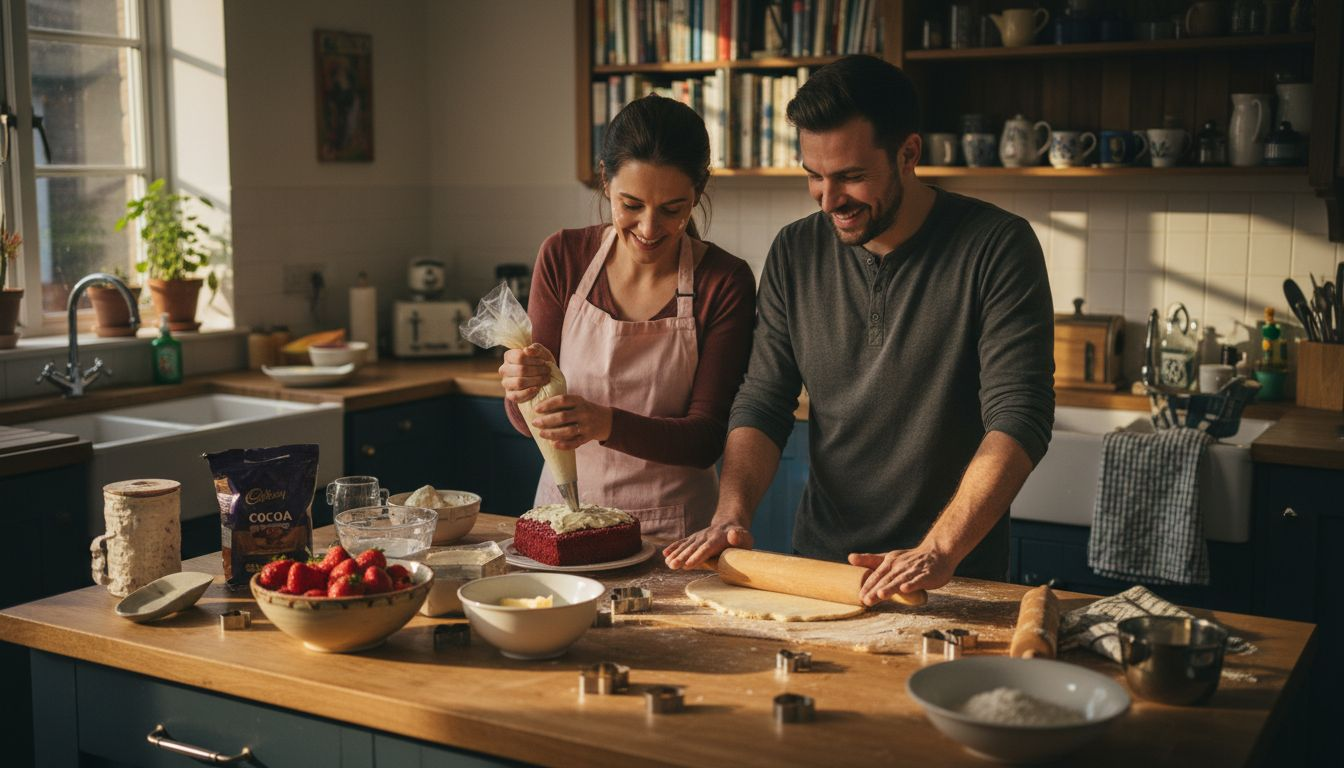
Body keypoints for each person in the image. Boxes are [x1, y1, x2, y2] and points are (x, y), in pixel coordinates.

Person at [663, 55, 1055, 605]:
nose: (829, 200)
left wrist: (938, 550)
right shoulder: (795, 251)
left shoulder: (997, 247)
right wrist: (732, 513)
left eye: (850, 176)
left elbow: (1020, 415)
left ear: (909, 154)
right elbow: (763, 400)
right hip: (822, 570)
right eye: (813, 176)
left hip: (954, 573)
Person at [499, 94, 756, 540]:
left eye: (672, 209)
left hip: (675, 533)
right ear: (605, 180)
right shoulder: (564, 256)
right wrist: (519, 389)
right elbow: (527, 421)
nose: (650, 228)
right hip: (564, 521)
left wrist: (606, 424)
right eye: (631, 205)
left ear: (700, 189)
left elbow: (708, 439)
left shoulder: (723, 280)